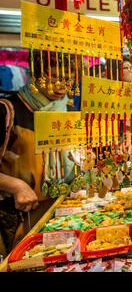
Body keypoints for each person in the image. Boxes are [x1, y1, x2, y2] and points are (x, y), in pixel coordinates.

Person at [0, 50, 77, 257]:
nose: (62, 86)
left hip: (61, 213)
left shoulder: (65, 109)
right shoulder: (8, 110)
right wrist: (16, 185)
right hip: (18, 219)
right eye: (54, 78)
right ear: (36, 75)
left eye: (68, 79)